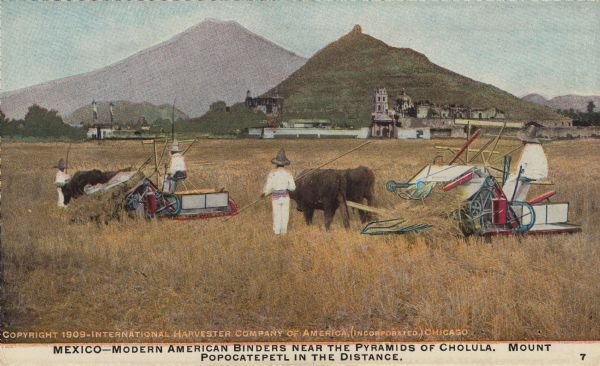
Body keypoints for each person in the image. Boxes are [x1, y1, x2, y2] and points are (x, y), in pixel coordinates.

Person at [502, 124, 548, 201]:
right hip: (539, 173)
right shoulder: (537, 147)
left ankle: (507, 199)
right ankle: (518, 200)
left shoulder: (529, 148)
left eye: (523, 139)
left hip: (532, 173)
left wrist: (515, 173)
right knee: (521, 183)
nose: (522, 141)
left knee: (511, 181)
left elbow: (522, 164)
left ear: (526, 139)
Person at [262, 149, 296, 235]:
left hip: (275, 197)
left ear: (276, 163)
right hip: (285, 197)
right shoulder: (288, 173)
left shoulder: (272, 173)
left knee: (276, 214)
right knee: (285, 215)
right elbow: (293, 188)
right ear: (284, 164)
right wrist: (287, 186)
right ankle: (283, 232)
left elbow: (268, 186)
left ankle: (276, 232)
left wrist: (264, 193)